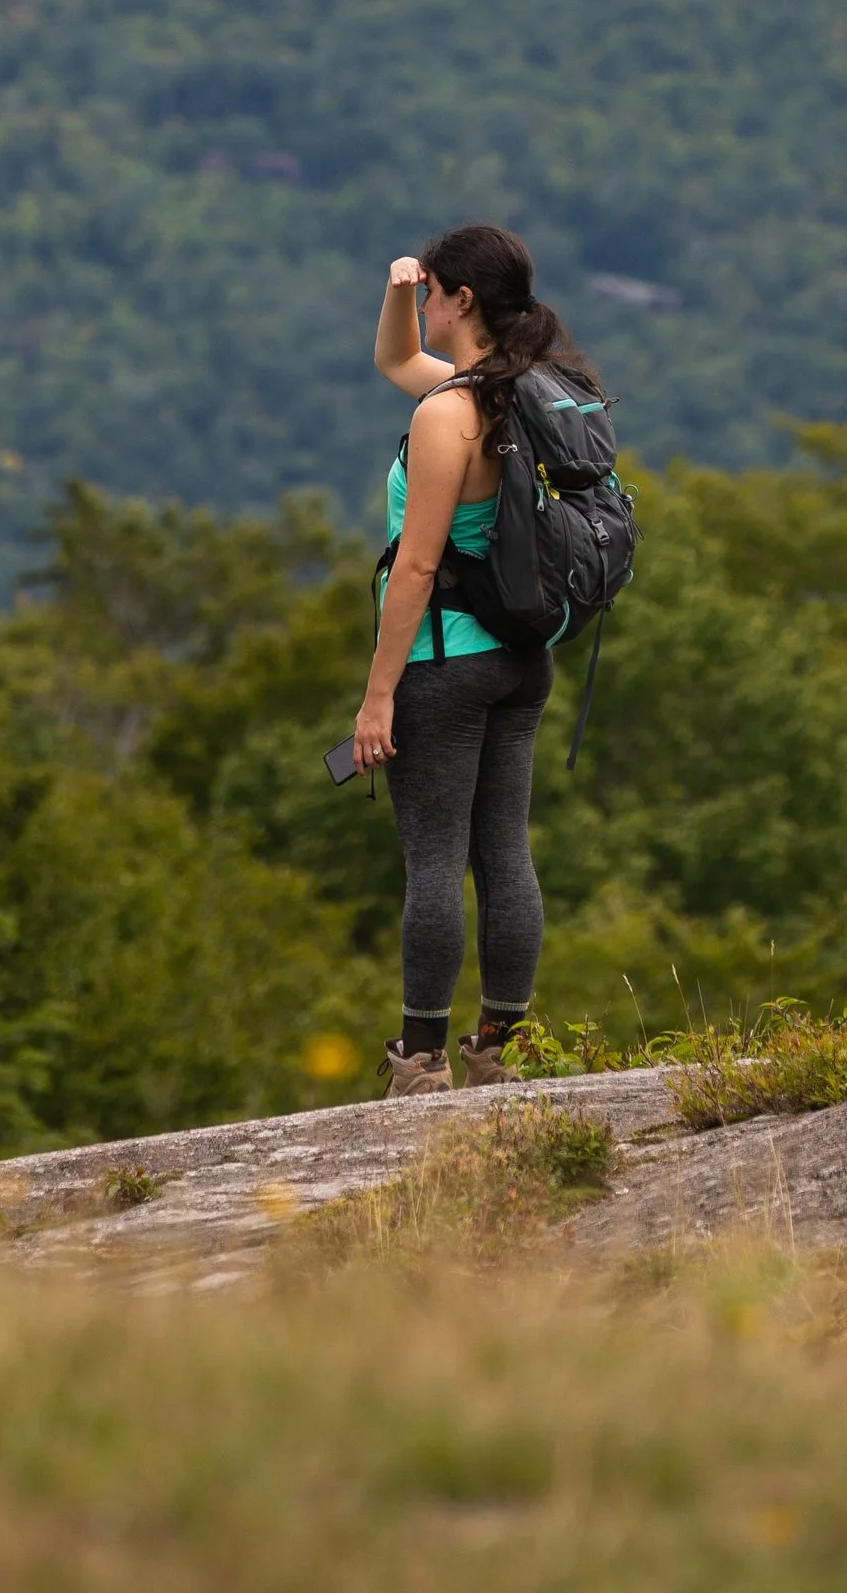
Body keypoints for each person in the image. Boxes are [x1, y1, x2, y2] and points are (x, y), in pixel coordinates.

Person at [352, 222, 599, 1096]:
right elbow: (396, 358)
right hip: (521, 657)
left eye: (430, 292)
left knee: (433, 859)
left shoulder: (445, 414)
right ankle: (501, 1048)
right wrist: (394, 289)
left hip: (443, 661)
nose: (422, 305)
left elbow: (416, 564)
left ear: (461, 301)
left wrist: (379, 695)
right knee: (504, 851)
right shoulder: (520, 392)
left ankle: (419, 1063)